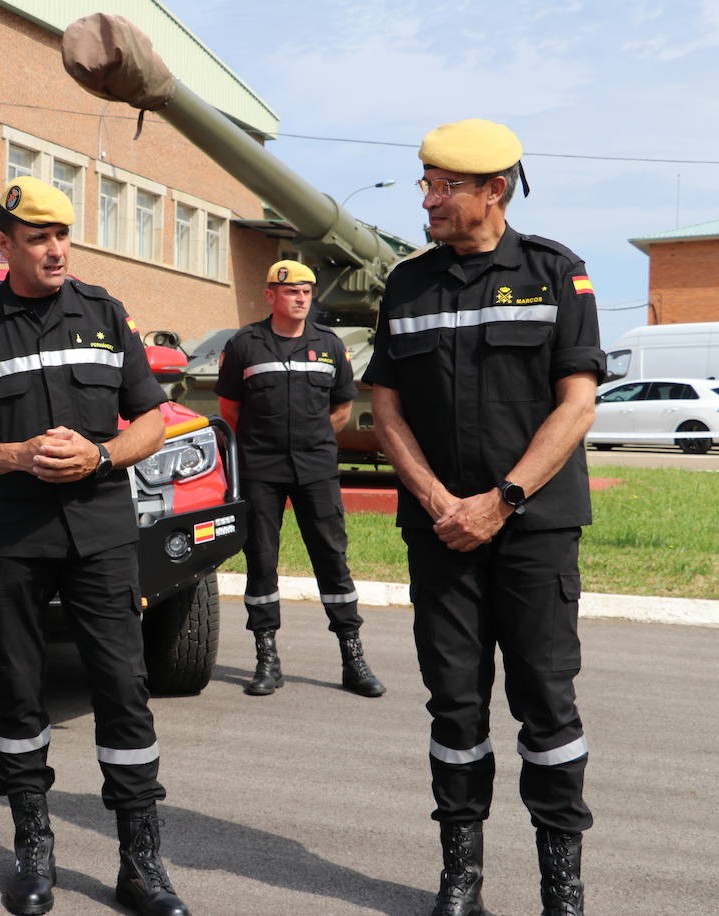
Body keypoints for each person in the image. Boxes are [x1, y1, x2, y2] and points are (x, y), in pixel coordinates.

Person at [0, 176, 188, 916]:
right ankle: (33, 849)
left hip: (100, 534)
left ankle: (143, 862)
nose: (55, 249)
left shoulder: (104, 314)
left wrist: (101, 458)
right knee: (16, 686)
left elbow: (152, 420)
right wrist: (18, 455)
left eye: (62, 235)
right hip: (12, 537)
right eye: (38, 238)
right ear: (4, 244)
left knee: (123, 691)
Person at [365, 119, 601, 916]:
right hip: (441, 532)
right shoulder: (408, 284)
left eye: (445, 186)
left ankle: (560, 888)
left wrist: (503, 501)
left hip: (531, 529)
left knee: (547, 704)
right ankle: (460, 876)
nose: (428, 199)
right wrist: (438, 500)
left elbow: (577, 403)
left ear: (493, 190)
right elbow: (385, 404)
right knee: (455, 703)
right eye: (425, 183)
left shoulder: (554, 272)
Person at [215, 259, 386, 699]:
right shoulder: (244, 345)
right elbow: (229, 412)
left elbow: (343, 407)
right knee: (262, 560)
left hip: (316, 469)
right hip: (261, 470)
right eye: (291, 291)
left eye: (307, 292)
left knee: (332, 558)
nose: (301, 298)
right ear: (270, 295)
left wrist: (311, 442)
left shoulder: (329, 345)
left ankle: (353, 657)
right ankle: (266, 658)